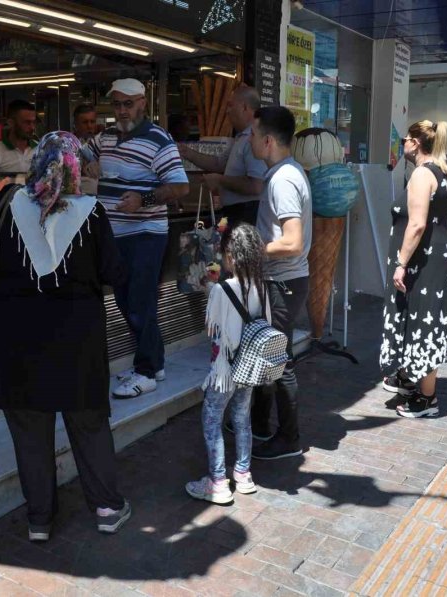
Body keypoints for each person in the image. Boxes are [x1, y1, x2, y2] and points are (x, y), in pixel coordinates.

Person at [0, 131, 132, 540]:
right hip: (75, 340)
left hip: (14, 340)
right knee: (89, 424)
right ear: (76, 167)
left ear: (37, 163)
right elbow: (115, 273)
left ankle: (39, 520)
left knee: (29, 432)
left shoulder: (6, 203)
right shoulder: (91, 212)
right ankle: (107, 507)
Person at [84, 78, 190, 398]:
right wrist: (87, 162)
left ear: (142, 103)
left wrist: (142, 200)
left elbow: (180, 186)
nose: (121, 110)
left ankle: (146, 372)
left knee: (139, 303)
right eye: (116, 104)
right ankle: (153, 364)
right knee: (127, 301)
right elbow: (76, 153)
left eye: (127, 103)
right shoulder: (106, 137)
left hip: (146, 233)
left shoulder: (159, 140)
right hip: (114, 234)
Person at [246, 106, 311, 460]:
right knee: (267, 356)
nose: (250, 141)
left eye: (253, 136)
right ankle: (258, 424)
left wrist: (250, 252)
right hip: (282, 282)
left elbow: (292, 241)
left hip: (283, 283)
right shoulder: (286, 173)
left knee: (279, 361)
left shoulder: (284, 179)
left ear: (268, 140)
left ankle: (289, 437)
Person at [380, 120, 447, 418]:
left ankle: (427, 399)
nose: (403, 146)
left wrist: (401, 263)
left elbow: (417, 223)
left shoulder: (423, 175)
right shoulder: (446, 173)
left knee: (422, 320)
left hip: (419, 261)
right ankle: (412, 379)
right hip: (437, 256)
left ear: (415, 143)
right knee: (424, 318)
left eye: (405, 140)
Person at [186, 224, 267, 503]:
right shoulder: (262, 286)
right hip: (249, 366)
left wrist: (210, 289)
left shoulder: (222, 289)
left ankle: (218, 482)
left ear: (231, 255)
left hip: (224, 369)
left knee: (212, 418)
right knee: (242, 418)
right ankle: (243, 474)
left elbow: (212, 331)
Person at [179, 87, 267, 227]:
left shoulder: (254, 138)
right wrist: (187, 153)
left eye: (230, 105)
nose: (227, 111)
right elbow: (218, 163)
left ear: (244, 107)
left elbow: (256, 186)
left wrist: (220, 180)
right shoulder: (240, 138)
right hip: (236, 213)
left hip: (247, 213)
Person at [0, 99, 38, 204]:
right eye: (27, 122)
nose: (32, 127)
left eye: (33, 122)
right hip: (5, 209)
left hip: (33, 210)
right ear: (11, 123)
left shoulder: (40, 148)